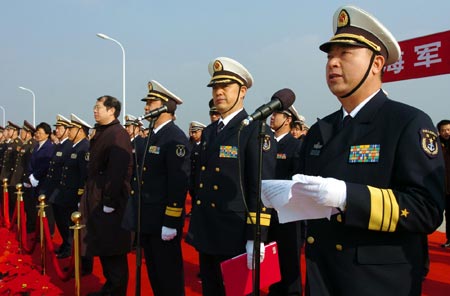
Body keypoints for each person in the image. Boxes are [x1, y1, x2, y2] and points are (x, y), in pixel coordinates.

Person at [292, 5, 445, 295]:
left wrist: (349, 197)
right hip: (322, 274)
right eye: (330, 56)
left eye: (345, 54)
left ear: (376, 64)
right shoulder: (320, 130)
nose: (333, 64)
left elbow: (427, 209)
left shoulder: (407, 122)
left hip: (376, 281)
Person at [187, 57, 276, 296]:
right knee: (211, 289)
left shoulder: (255, 131)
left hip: (235, 232)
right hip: (208, 229)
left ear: (243, 91)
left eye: (225, 86)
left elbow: (259, 186)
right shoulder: (209, 132)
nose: (219, 92)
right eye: (215, 87)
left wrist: (255, 236)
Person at [123, 80, 190, 295]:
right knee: (155, 273)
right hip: (148, 218)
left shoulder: (175, 137)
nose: (146, 107)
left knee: (168, 275)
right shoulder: (153, 135)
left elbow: (178, 182)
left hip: (163, 220)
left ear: (165, 107)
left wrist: (171, 221)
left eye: (151, 103)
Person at [81, 95, 133, 296]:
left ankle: (116, 290)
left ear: (112, 110)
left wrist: (109, 201)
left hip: (110, 200)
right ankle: (110, 286)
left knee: (113, 248)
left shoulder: (117, 134)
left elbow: (117, 171)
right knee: (103, 244)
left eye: (98, 107)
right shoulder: (104, 132)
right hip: (97, 196)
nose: (94, 110)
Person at [268, 105, 303, 296]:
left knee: (289, 261)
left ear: (288, 119)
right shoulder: (267, 144)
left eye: (276, 114)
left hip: (287, 214)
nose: (272, 118)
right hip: (268, 212)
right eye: (271, 114)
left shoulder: (296, 146)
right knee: (272, 262)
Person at [53, 114, 91, 263]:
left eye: (72, 129)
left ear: (80, 131)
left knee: (79, 231)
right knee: (69, 227)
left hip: (76, 195)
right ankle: (72, 253)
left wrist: (80, 197)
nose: (68, 131)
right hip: (67, 193)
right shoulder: (74, 147)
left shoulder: (84, 148)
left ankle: (82, 262)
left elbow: (85, 175)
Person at [42, 115, 73, 241]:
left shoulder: (69, 146)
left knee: (65, 221)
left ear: (67, 130)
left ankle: (68, 246)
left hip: (62, 189)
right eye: (57, 128)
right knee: (59, 219)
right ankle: (65, 244)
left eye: (59, 128)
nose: (57, 131)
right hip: (54, 189)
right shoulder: (59, 145)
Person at [26, 122, 55, 233]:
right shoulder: (36, 146)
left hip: (43, 182)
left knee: (46, 211)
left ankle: (48, 233)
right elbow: (31, 163)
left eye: (40, 132)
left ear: (47, 134)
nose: (37, 134)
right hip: (34, 182)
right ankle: (40, 232)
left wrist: (35, 176)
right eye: (37, 132)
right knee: (37, 209)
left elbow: (46, 165)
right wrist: (30, 176)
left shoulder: (49, 147)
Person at [438, 119, 450, 248]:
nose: (446, 132)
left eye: (448, 130)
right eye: (443, 130)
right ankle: (449, 239)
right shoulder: (435, 144)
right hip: (443, 187)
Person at [188, 121, 206, 205]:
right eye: (192, 132)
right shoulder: (193, 146)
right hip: (193, 180)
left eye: (195, 132)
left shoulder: (205, 146)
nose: (193, 134)